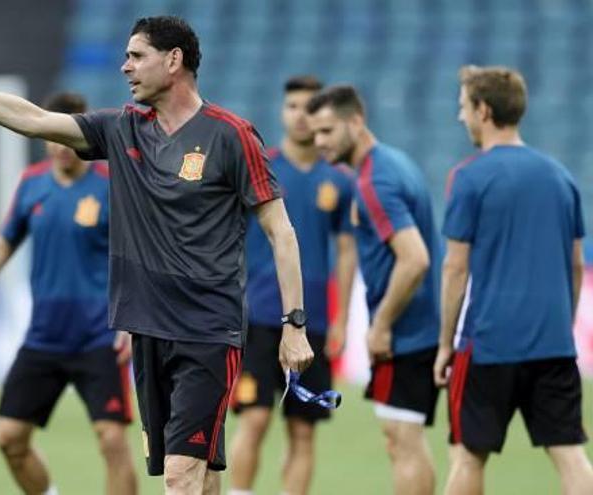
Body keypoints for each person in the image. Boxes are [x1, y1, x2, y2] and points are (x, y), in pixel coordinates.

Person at [0, 15, 313, 495]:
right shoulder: (123, 129)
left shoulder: (231, 136)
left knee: (180, 476)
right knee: (199, 472)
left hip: (208, 332)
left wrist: (293, 325)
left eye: (136, 56)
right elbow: (33, 119)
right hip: (146, 331)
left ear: (173, 61)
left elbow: (281, 231)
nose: (124, 67)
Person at [0, 92, 138, 495]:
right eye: (52, 137)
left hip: (100, 336)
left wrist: (131, 314)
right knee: (8, 438)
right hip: (45, 337)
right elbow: (2, 245)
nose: (60, 147)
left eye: (66, 136)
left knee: (111, 441)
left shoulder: (112, 185)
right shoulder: (32, 183)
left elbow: (138, 253)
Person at [434, 65, 593, 495]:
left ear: (484, 110)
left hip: (488, 344)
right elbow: (575, 264)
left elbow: (454, 268)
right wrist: (563, 324)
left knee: (468, 455)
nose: (460, 117)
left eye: (464, 107)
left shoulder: (469, 177)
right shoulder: (562, 177)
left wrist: (446, 344)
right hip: (553, 344)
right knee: (571, 454)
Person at [307, 85, 440, 495]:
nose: (319, 142)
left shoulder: (374, 181)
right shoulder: (392, 164)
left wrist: (381, 325)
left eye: (327, 131)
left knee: (403, 442)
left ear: (356, 121)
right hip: (420, 327)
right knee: (405, 439)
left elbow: (415, 258)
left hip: (408, 332)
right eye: (315, 133)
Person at [228, 75, 356, 495]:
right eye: (292, 106)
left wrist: (341, 320)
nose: (299, 116)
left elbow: (347, 250)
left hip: (314, 320)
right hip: (259, 314)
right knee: (256, 418)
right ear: (282, 112)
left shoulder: (338, 180)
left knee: (303, 429)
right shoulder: (261, 168)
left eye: (308, 108)